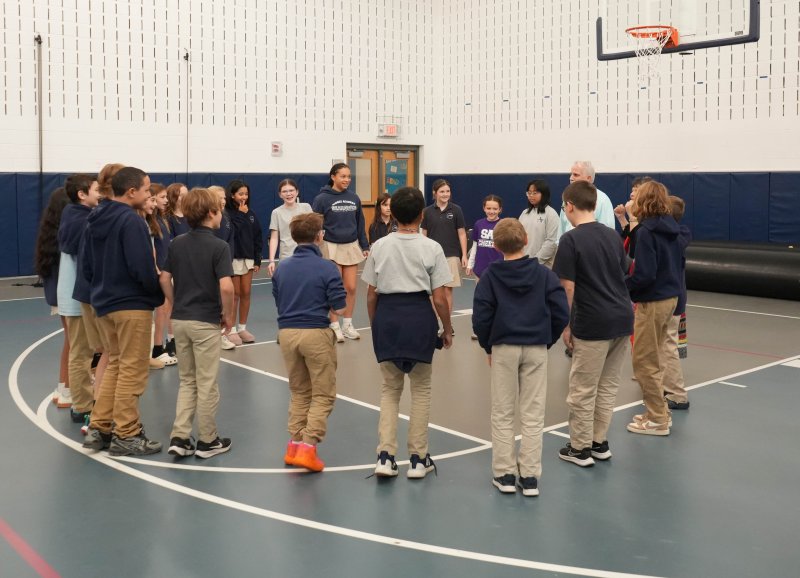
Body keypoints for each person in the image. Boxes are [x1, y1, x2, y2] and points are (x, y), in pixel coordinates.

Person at [362, 186, 454, 479]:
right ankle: (418, 458)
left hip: (388, 317)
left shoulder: (379, 246)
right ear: (421, 214)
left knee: (390, 390)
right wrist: (447, 328)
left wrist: (376, 323)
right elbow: (439, 298)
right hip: (418, 318)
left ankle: (385, 457)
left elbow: (371, 294)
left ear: (395, 214)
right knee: (421, 390)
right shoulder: (432, 248)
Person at [472, 218, 569, 496]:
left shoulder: (490, 276)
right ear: (526, 239)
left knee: (502, 412)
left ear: (497, 245)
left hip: (504, 347)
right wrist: (546, 339)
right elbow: (561, 312)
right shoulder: (544, 275)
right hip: (536, 346)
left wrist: (489, 347)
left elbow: (481, 317)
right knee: (533, 413)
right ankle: (529, 477)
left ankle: (504, 474)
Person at [81, 166, 165, 456]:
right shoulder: (131, 221)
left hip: (104, 302)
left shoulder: (95, 218)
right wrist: (155, 294)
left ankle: (100, 427)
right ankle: (127, 433)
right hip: (131, 305)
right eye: (146, 189)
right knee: (132, 368)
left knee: (116, 363)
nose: (148, 194)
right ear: (131, 192)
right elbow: (141, 266)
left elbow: (88, 266)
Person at [552, 181, 635, 466]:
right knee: (607, 385)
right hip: (622, 318)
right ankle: (598, 442)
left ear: (571, 206)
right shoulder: (612, 235)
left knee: (582, 388)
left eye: (564, 206)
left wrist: (568, 324)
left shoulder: (571, 240)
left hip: (593, 320)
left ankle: (579, 447)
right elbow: (624, 271)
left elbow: (568, 287)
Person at [161, 187, 235, 459]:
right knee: (207, 382)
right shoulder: (220, 246)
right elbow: (226, 287)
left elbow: (163, 278)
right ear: (212, 213)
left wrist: (175, 301)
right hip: (204, 321)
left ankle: (180, 436)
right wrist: (228, 315)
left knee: (187, 380)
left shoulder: (176, 243)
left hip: (180, 319)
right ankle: (207, 440)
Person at [272, 212, 347, 472]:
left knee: (300, 391)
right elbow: (339, 305)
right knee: (324, 393)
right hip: (315, 332)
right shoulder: (327, 267)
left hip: (287, 333)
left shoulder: (282, 267)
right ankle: (308, 447)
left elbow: (278, 298)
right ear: (319, 236)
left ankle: (294, 445)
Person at [624, 181, 685, 436]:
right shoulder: (673, 228)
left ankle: (658, 419)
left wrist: (624, 288)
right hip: (671, 298)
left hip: (653, 300)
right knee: (656, 358)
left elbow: (645, 274)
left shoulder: (647, 232)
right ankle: (657, 411)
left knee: (643, 362)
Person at [58, 174, 102, 426]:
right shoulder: (79, 220)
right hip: (76, 297)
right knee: (81, 353)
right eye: (97, 190)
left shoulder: (74, 215)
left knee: (83, 351)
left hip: (76, 294)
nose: (101, 194)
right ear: (81, 194)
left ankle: (84, 401)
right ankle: (82, 405)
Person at [312, 163, 369, 342]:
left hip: (350, 245)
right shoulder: (322, 198)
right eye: (343, 176)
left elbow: (360, 223)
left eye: (349, 176)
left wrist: (365, 245)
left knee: (351, 287)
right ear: (333, 177)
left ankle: (348, 324)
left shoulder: (354, 198)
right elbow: (316, 224)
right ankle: (334, 325)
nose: (347, 180)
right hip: (331, 246)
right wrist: (316, 244)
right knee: (335, 288)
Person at [34, 187, 72, 409]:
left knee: (70, 343)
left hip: (58, 297)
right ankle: (66, 389)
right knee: (74, 345)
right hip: (65, 297)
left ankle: (62, 387)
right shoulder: (63, 236)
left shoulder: (51, 233)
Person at [421, 179, 467, 326]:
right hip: (432, 257)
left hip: (451, 255)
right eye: (442, 191)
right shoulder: (427, 212)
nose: (445, 194)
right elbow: (424, 235)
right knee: (435, 292)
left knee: (448, 291)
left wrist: (464, 255)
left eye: (447, 191)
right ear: (435, 193)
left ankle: (447, 324)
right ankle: (436, 322)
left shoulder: (456, 210)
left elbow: (461, 234)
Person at [662, 195, 691, 410]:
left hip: (671, 299)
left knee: (668, 345)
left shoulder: (672, 237)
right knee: (665, 345)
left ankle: (678, 394)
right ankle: (668, 386)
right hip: (677, 297)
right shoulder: (681, 234)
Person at [226, 179, 263, 345]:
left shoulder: (252, 214)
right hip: (233, 258)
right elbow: (233, 232)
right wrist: (241, 214)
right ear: (232, 195)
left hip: (248, 258)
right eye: (240, 194)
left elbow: (257, 237)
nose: (244, 197)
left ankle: (242, 327)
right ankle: (231, 329)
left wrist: (257, 259)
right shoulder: (227, 214)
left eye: (246, 194)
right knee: (235, 295)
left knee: (246, 293)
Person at [209, 185, 237, 350]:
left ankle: (222, 335)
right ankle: (214, 336)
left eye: (224, 197)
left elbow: (230, 241)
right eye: (218, 198)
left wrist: (229, 261)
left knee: (222, 301)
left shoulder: (226, 218)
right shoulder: (210, 219)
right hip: (212, 267)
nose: (222, 201)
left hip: (225, 265)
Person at [267, 178, 312, 276]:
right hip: (287, 256)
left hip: (307, 254)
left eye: (291, 190)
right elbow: (274, 238)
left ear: (297, 192)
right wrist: (271, 261)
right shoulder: (276, 212)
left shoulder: (306, 207)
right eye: (285, 191)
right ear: (280, 194)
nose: (288, 194)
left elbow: (314, 232)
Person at [559, 161, 616, 236]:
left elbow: (608, 234)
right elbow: (561, 231)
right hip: (568, 244)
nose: (571, 178)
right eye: (571, 174)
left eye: (576, 175)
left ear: (588, 178)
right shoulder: (567, 198)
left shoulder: (602, 200)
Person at [518, 180, 560, 268]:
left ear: (544, 194)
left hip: (542, 266)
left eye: (535, 193)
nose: (531, 196)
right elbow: (518, 237)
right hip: (524, 264)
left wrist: (535, 261)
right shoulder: (524, 213)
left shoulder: (551, 214)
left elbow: (552, 242)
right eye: (529, 193)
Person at [613, 176, 654, 260]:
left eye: (636, 191)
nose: (632, 194)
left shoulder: (651, 218)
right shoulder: (641, 214)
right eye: (632, 190)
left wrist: (632, 216)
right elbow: (630, 238)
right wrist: (622, 218)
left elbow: (635, 250)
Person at [466, 194, 503, 279]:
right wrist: (470, 265)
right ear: (484, 208)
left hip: (498, 270)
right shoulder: (478, 224)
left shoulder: (503, 225)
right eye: (488, 208)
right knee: (480, 292)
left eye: (495, 209)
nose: (491, 211)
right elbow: (475, 246)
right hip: (480, 268)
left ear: (500, 209)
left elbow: (508, 250)